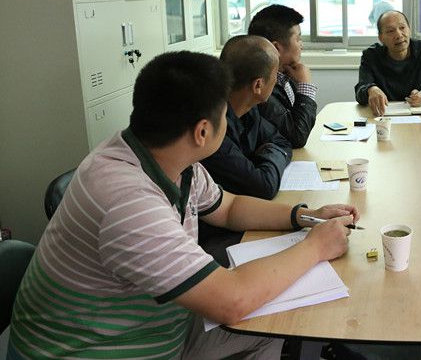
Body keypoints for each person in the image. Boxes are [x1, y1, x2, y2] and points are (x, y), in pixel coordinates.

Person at [7, 51, 358, 360]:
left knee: (276, 323)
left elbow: (229, 208)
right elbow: (231, 301)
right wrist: (315, 247)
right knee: (271, 318)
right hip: (102, 350)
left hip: (157, 326)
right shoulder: (126, 200)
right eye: (226, 116)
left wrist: (304, 217)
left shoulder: (167, 159)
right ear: (203, 132)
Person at [199, 35, 294, 264]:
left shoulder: (249, 109)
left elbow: (282, 142)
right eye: (276, 74)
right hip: (214, 237)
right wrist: (268, 154)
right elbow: (263, 186)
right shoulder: (213, 130)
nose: (278, 80)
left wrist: (265, 155)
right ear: (258, 85)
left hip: (238, 216)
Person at [248, 4, 317, 148]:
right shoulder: (261, 87)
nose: (301, 45)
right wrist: (305, 87)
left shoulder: (287, 75)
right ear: (276, 48)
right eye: (298, 39)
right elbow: (297, 137)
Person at [355, 10, 421, 116]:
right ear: (381, 38)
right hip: (383, 118)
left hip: (420, 117)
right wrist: (371, 89)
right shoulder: (371, 56)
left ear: (409, 29)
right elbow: (359, 93)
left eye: (402, 28)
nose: (399, 35)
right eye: (390, 31)